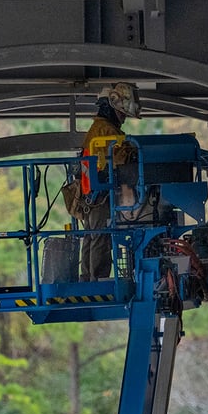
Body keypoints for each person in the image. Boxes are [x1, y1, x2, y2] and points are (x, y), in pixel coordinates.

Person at [77, 82, 141, 281]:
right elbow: (123, 156)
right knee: (101, 237)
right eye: (122, 114)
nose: (123, 119)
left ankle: (88, 279)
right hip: (100, 195)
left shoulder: (98, 128)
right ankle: (98, 280)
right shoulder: (106, 130)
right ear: (112, 107)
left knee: (92, 236)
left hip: (91, 196)